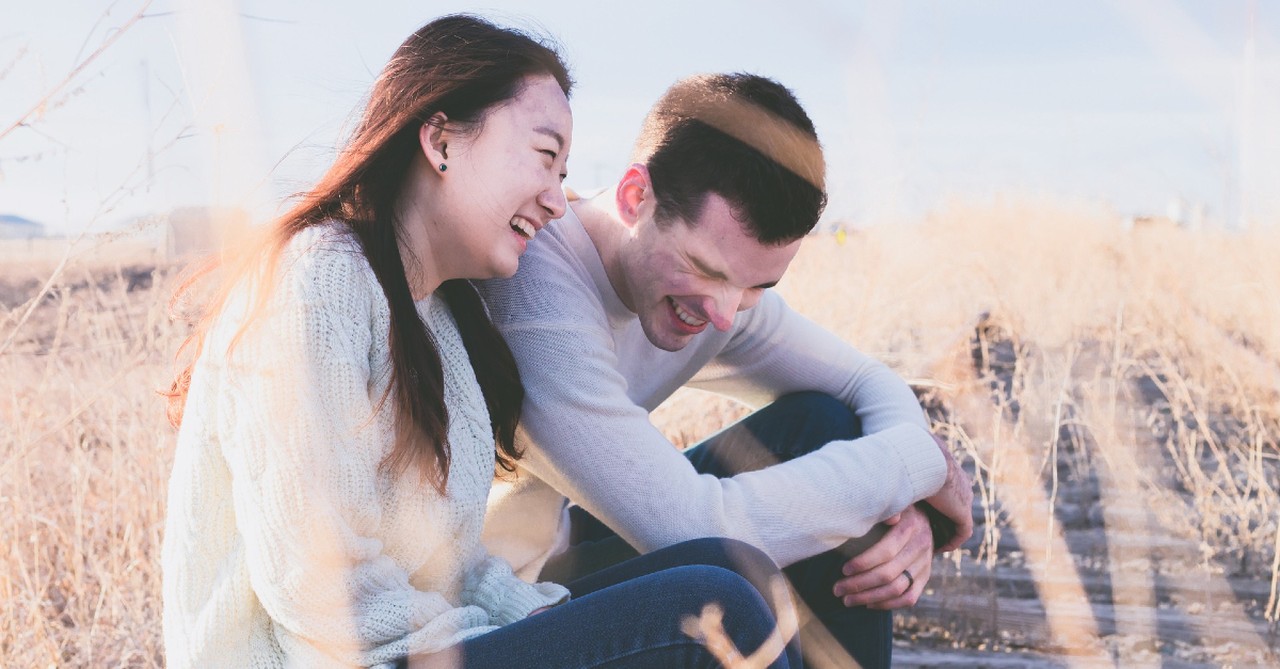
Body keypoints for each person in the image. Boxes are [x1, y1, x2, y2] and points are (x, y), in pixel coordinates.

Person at [161, 16, 800, 669]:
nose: (557, 199)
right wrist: (482, 634)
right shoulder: (317, 280)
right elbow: (313, 580)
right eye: (544, 157)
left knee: (734, 565)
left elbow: (447, 562)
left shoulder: (436, 315)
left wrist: (531, 615)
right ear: (441, 140)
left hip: (424, 644)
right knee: (713, 606)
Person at [476, 72, 976, 668]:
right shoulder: (534, 287)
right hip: (485, 613)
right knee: (728, 594)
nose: (722, 315)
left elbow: (868, 382)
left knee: (825, 421)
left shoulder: (721, 296)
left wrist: (903, 510)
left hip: (554, 557)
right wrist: (920, 466)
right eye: (706, 269)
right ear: (637, 197)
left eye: (757, 285)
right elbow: (693, 527)